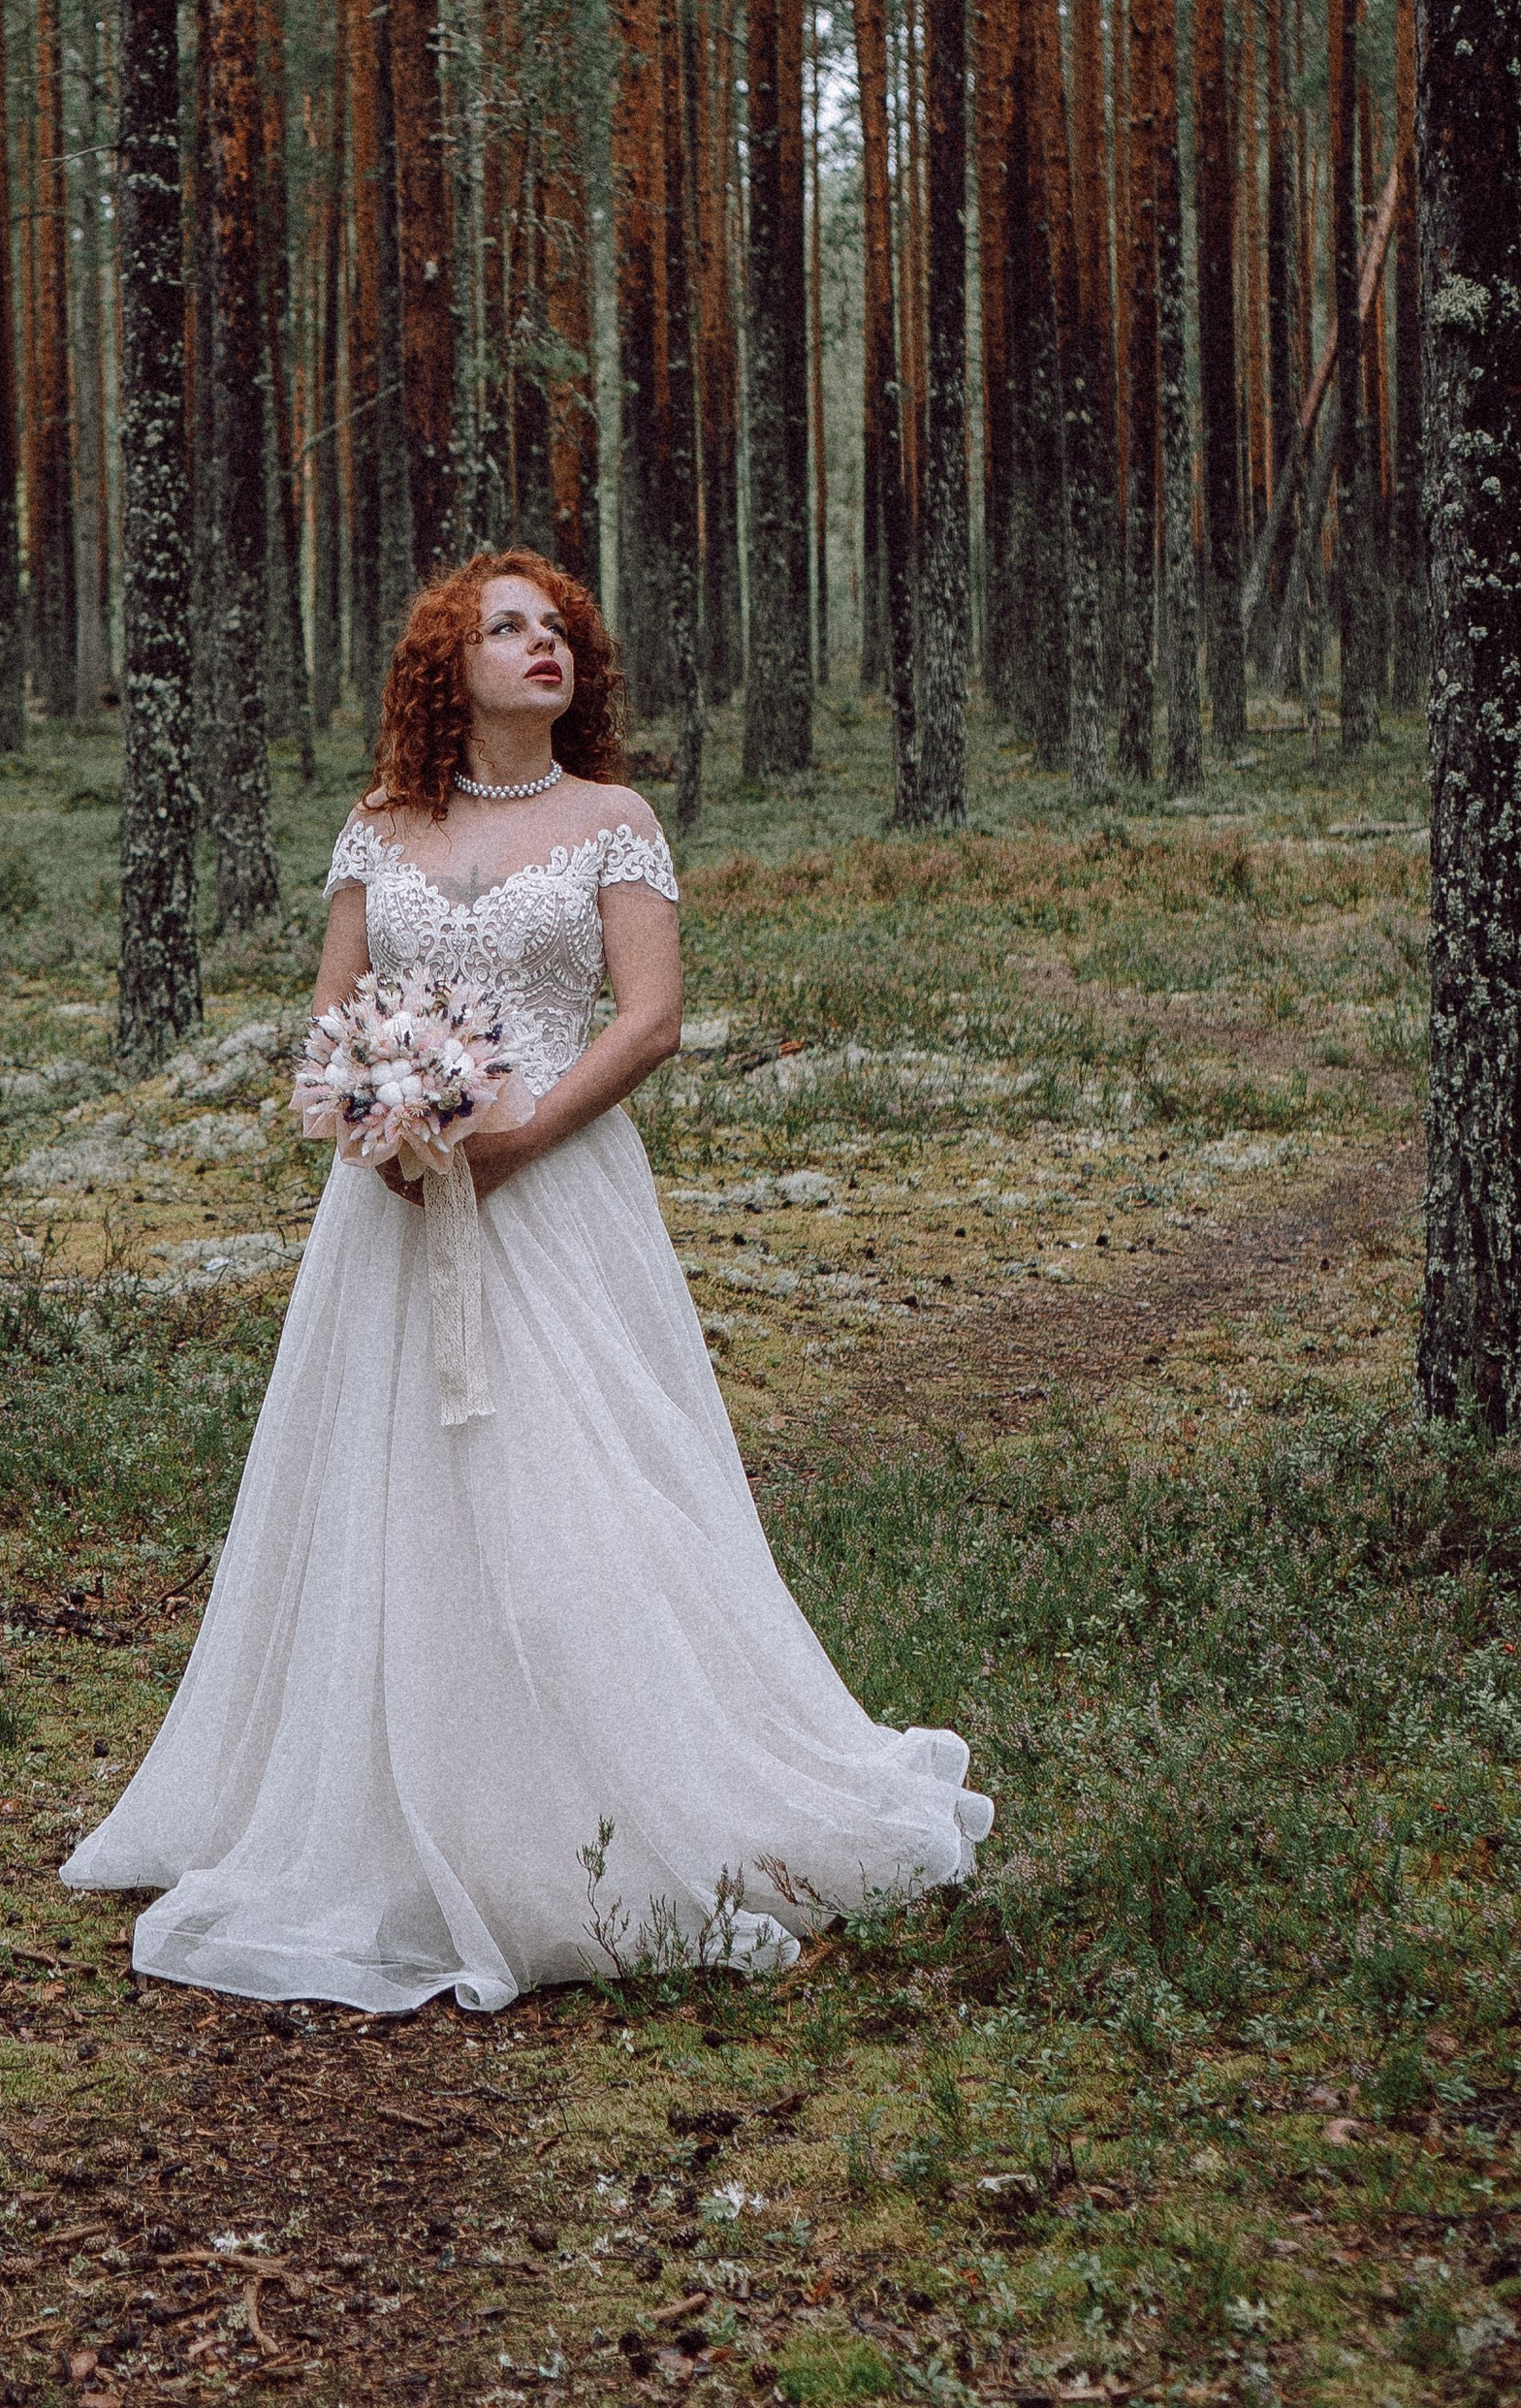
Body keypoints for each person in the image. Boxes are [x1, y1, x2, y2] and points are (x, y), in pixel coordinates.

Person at [62, 550, 992, 2012]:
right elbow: (332, 1014)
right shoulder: (378, 827)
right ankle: (388, 1807)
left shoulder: (613, 822)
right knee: (394, 1490)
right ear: (452, 663)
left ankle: (607, 1798)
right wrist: (372, 1118)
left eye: (557, 630)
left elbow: (656, 1016)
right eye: (506, 629)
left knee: (586, 1479)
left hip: (559, 1195)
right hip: (392, 1212)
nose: (540, 646)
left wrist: (523, 1133)